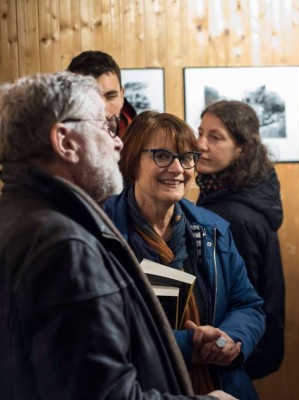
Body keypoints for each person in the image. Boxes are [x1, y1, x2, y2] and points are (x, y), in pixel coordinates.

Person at [0, 72, 234, 399]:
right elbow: (103, 393)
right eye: (105, 126)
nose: (117, 141)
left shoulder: (23, 214)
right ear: (65, 141)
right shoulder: (62, 244)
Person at [102, 110, 265, 400]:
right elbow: (107, 332)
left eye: (186, 157)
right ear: (132, 161)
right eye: (162, 156)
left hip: (221, 385)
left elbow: (248, 305)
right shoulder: (105, 235)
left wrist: (228, 339)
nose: (178, 169)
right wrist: (191, 344)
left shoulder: (212, 229)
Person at [195, 100, 285, 380]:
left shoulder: (233, 215)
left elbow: (238, 299)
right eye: (200, 133)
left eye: (215, 137)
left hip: (233, 351)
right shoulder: (226, 194)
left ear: (242, 148)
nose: (201, 144)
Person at [67, 50, 137, 138]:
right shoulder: (55, 141)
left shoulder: (142, 139)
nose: (102, 108)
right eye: (91, 98)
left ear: (122, 96)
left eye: (111, 96)